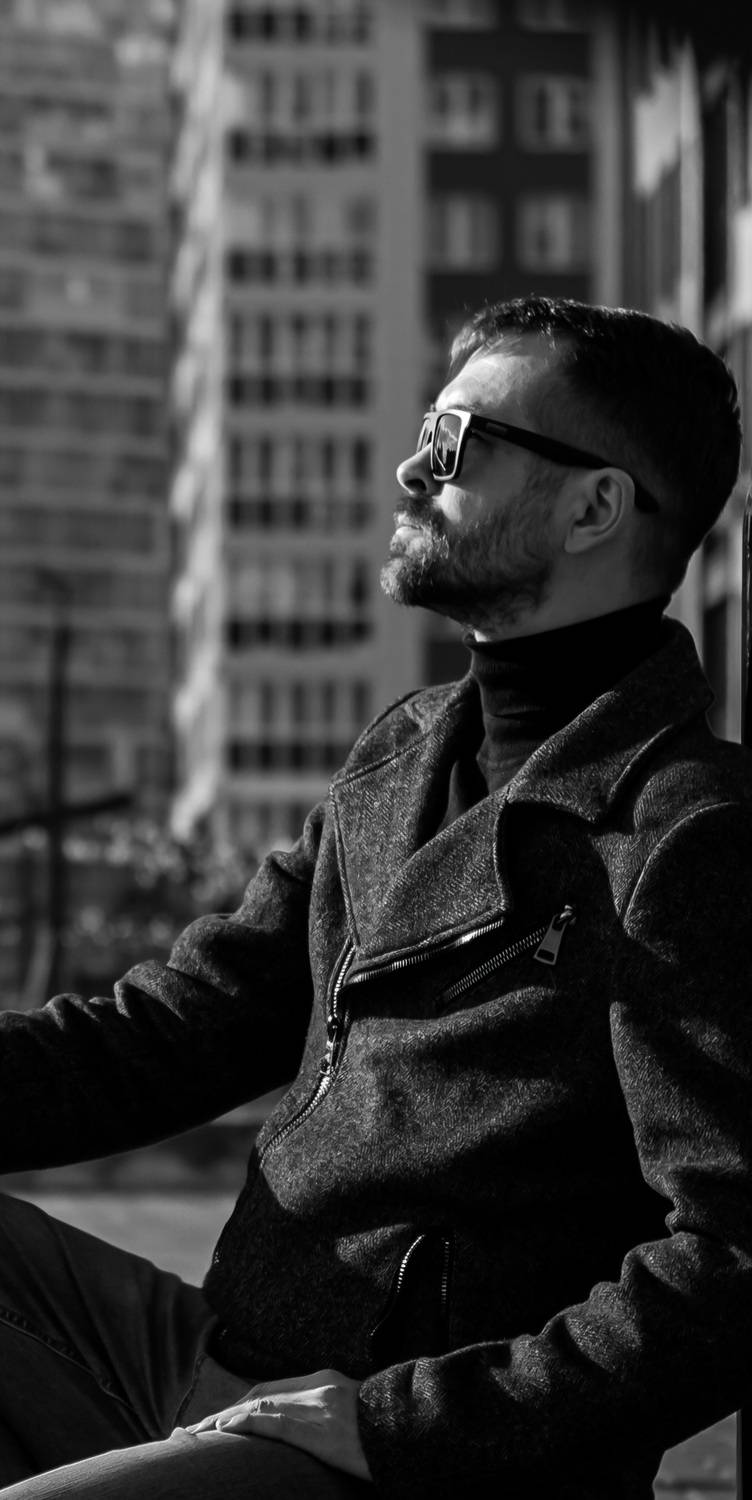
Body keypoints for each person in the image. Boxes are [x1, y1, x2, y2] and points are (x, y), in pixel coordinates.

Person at [0, 294, 751, 1500]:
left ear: (593, 507)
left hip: (391, 1455)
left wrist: (403, 1426)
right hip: (211, 1361)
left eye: (455, 443)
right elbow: (174, 1031)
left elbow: (732, 1257)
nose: (411, 469)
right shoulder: (399, 756)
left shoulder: (684, 836)